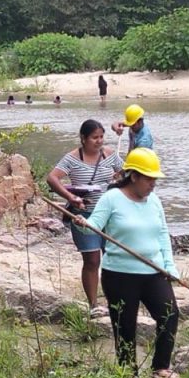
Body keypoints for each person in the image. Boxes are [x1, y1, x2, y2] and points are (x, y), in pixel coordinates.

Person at [73, 148, 180, 378]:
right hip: (119, 275)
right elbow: (94, 226)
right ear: (134, 176)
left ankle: (161, 367)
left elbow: (163, 234)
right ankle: (127, 374)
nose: (153, 184)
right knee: (125, 327)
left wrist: (169, 266)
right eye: (149, 179)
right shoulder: (112, 198)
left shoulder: (154, 200)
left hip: (154, 271)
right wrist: (82, 224)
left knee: (170, 315)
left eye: (155, 179)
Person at [46, 119, 123, 317]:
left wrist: (119, 179)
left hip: (109, 216)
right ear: (83, 138)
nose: (99, 141)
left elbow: (127, 174)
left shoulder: (109, 155)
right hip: (83, 215)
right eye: (94, 137)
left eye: (101, 137)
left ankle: (115, 302)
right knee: (92, 259)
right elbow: (52, 178)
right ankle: (93, 305)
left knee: (112, 258)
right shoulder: (72, 158)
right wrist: (71, 197)